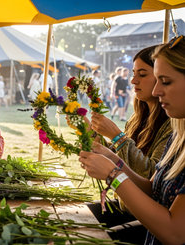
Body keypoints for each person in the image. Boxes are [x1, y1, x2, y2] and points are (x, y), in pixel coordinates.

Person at [79, 36, 185, 245]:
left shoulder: (169, 126)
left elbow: (175, 233)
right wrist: (109, 156)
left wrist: (113, 173)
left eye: (165, 81)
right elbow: (151, 186)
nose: (156, 90)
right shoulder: (178, 135)